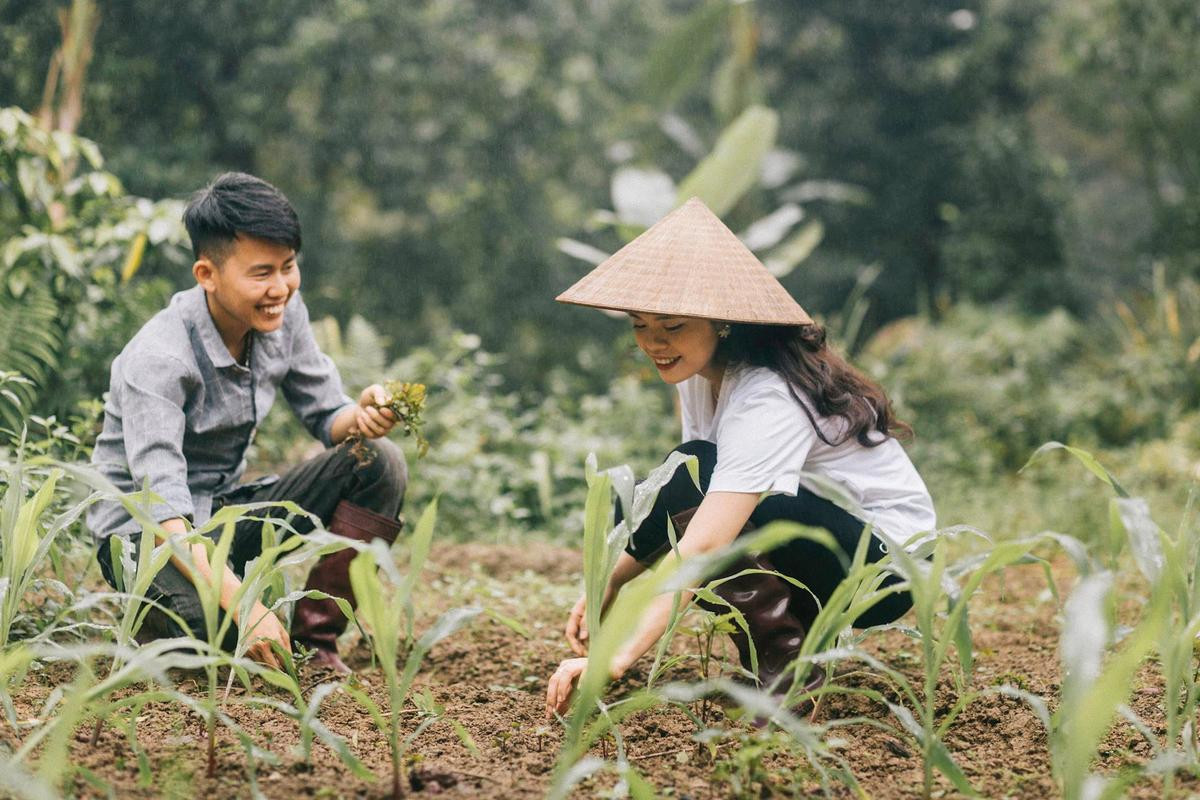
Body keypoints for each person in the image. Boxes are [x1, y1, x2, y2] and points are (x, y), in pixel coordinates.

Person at [545, 198, 936, 718]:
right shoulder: (698, 377)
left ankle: (790, 667)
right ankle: (789, 647)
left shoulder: (766, 395)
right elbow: (679, 492)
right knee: (677, 477)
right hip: (820, 534)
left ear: (721, 323)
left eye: (673, 325)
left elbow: (706, 536)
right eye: (640, 325)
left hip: (886, 565)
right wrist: (608, 586)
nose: (654, 343)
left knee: (699, 487)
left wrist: (614, 660)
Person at [88, 172, 408, 673]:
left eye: (289, 267)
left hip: (223, 512)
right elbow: (163, 514)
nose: (280, 287)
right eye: (261, 273)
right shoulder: (159, 358)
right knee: (218, 648)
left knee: (379, 463)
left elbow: (327, 413)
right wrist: (247, 606)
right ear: (206, 274)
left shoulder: (281, 312)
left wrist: (365, 415)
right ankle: (158, 618)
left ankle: (313, 640)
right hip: (145, 537)